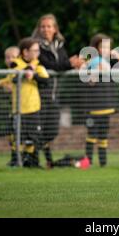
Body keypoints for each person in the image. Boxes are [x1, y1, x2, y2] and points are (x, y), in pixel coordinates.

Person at [32, 14, 84, 168]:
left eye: (49, 26)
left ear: (55, 29)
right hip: (40, 94)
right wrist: (70, 63)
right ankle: (37, 160)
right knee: (38, 129)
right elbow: (51, 65)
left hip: (54, 95)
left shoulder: (59, 45)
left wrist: (72, 63)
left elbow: (60, 64)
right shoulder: (36, 47)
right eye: (43, 26)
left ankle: (31, 154)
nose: (45, 29)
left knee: (52, 130)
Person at [82, 33, 119, 167]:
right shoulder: (92, 62)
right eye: (103, 47)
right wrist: (96, 72)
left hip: (107, 105)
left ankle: (103, 164)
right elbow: (90, 81)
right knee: (91, 134)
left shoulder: (109, 62)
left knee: (103, 135)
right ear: (96, 48)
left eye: (108, 47)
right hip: (93, 106)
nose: (106, 50)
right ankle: (88, 162)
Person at [8, 38, 49, 168]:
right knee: (18, 137)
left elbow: (46, 81)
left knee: (34, 137)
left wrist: (34, 75)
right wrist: (27, 70)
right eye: (35, 50)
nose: (37, 53)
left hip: (33, 108)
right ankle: (16, 161)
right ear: (25, 52)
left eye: (38, 50)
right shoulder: (15, 63)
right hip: (19, 109)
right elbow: (13, 78)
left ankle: (33, 163)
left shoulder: (38, 65)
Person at [0, 46, 20, 166]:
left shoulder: (19, 70)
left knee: (18, 134)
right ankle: (14, 158)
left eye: (13, 57)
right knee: (11, 135)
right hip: (13, 109)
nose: (10, 59)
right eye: (7, 57)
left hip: (22, 109)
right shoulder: (10, 73)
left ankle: (19, 158)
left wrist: (11, 89)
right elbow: (5, 80)